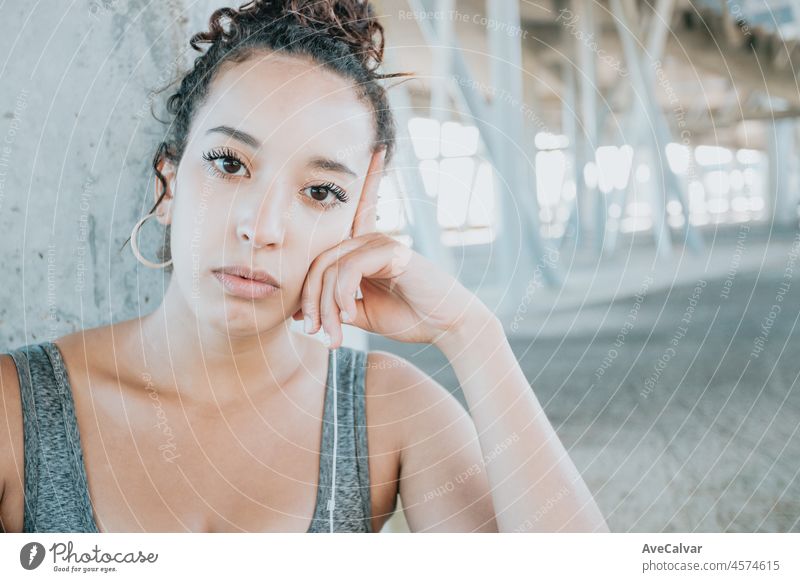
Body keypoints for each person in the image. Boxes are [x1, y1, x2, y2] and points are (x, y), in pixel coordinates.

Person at [0, 0, 608, 533]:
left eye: (320, 192)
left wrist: (473, 334)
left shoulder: (385, 413)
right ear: (168, 188)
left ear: (357, 224)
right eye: (229, 164)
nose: (262, 229)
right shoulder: (17, 408)